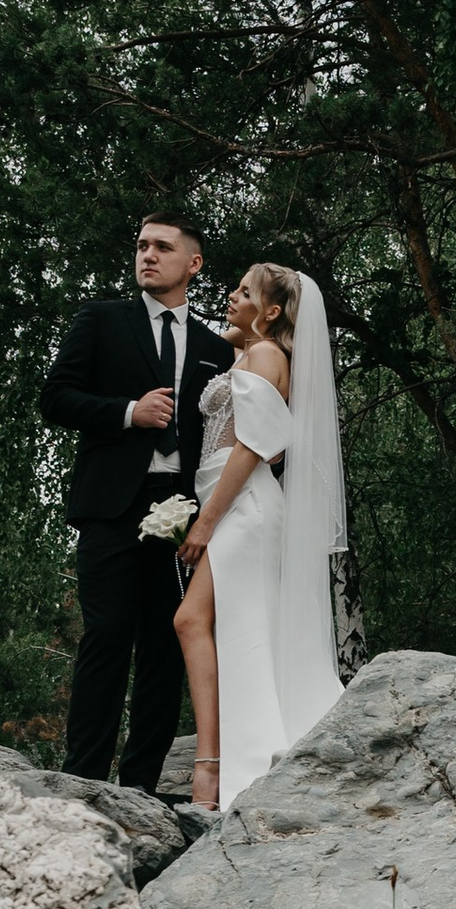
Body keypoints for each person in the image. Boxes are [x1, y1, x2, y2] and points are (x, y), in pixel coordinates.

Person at [41, 215, 232, 790]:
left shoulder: (213, 347)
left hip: (184, 515)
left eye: (162, 247)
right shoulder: (101, 319)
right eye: (142, 246)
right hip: (111, 508)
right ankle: (84, 780)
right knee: (105, 636)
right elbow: (56, 398)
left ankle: (141, 787)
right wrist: (129, 412)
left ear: (192, 264)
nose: (147, 255)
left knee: (165, 648)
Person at [173, 262, 350, 814]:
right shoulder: (255, 351)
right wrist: (244, 326)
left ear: (272, 312)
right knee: (228, 626)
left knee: (192, 621)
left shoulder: (268, 355)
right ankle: (220, 766)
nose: (231, 295)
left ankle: (215, 771)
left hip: (242, 506)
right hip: (236, 502)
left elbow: (258, 446)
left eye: (244, 292)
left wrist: (205, 523)